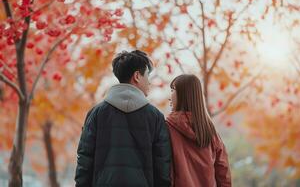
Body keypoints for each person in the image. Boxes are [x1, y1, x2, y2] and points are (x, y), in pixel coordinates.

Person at [75, 50, 172, 187]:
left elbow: (84, 161)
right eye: (147, 75)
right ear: (137, 76)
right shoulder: (155, 117)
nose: (149, 82)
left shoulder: (96, 113)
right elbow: (163, 166)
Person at [166, 74, 231, 187]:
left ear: (183, 95)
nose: (169, 96)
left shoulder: (167, 129)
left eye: (173, 90)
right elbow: (223, 175)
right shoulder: (211, 133)